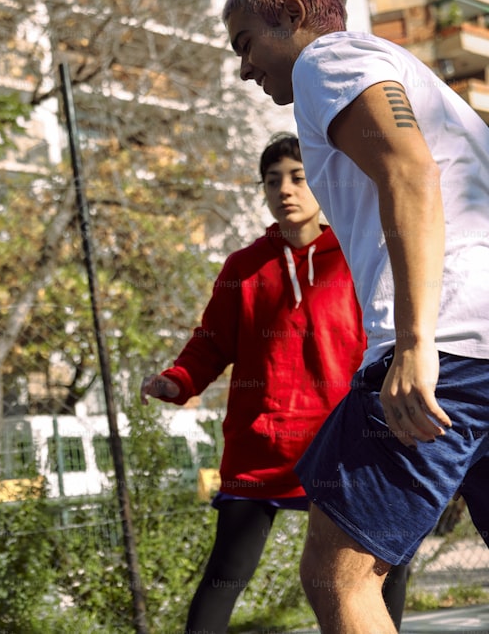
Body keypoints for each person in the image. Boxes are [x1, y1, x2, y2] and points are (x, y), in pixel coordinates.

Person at [223, 0, 489, 631]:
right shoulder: (421, 84)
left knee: (337, 575)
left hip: (450, 345)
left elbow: (409, 170)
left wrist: (416, 342)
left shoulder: (327, 58)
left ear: (289, 12)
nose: (243, 67)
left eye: (245, 44)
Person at [140, 134, 406, 631]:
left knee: (382, 563)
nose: (285, 188)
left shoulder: (354, 255)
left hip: (345, 443)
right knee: (225, 575)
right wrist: (177, 380)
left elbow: (387, 340)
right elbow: (212, 342)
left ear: (322, 183)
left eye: (298, 177)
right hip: (262, 441)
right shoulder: (243, 266)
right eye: (272, 180)